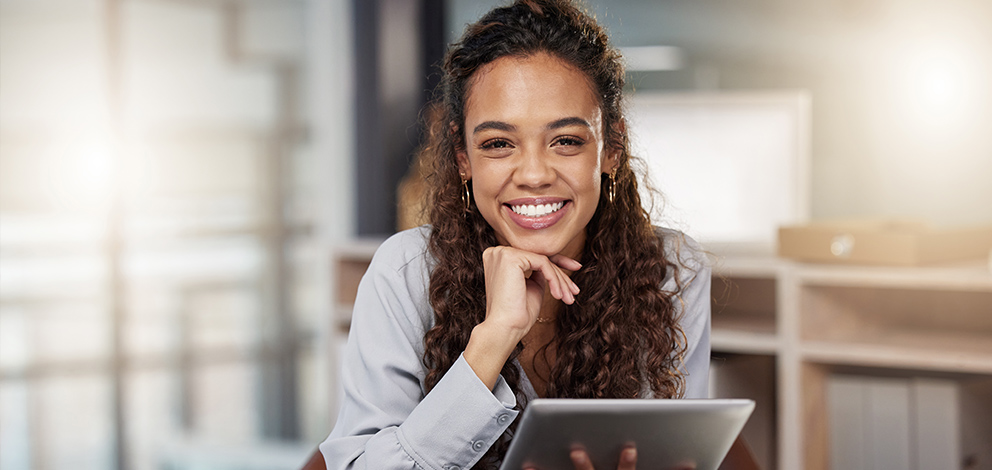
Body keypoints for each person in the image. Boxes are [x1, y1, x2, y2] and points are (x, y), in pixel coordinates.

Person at [310, 1, 713, 468]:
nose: (535, 175)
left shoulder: (671, 271)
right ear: (464, 159)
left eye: (566, 141)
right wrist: (492, 341)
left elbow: (679, 448)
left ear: (611, 150)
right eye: (498, 144)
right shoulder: (404, 274)